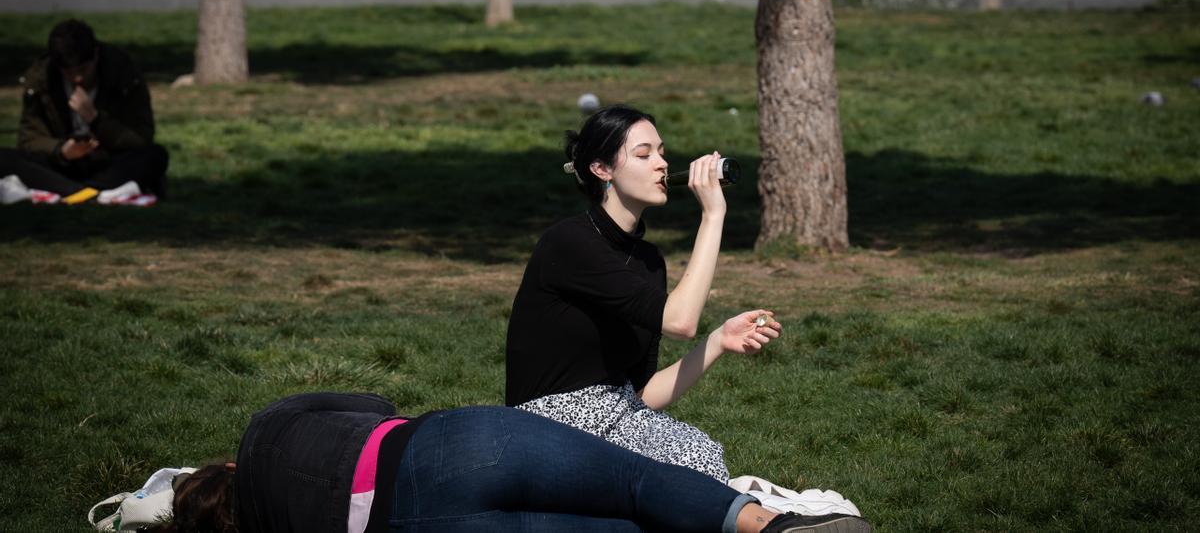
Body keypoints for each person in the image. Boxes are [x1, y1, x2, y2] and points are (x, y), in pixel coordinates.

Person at [505, 105, 781, 482]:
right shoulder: (569, 243)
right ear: (601, 169)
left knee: (697, 454)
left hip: (619, 417)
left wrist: (717, 342)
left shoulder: (649, 261)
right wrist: (713, 216)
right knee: (689, 465)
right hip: (549, 425)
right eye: (643, 154)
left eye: (662, 152)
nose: (662, 164)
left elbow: (640, 395)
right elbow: (681, 322)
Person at [148, 391, 870, 532]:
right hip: (443, 446)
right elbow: (366, 401)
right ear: (226, 471)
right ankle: (768, 524)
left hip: (410, 527)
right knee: (630, 480)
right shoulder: (268, 424)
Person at [0, 19, 168, 206]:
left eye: (83, 69)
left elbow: (141, 137)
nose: (77, 78)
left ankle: (75, 192)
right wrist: (61, 150)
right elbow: (28, 139)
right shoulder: (42, 79)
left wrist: (96, 120)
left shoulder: (123, 73)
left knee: (154, 155)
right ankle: (91, 194)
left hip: (108, 162)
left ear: (96, 55)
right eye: (69, 72)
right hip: (62, 165)